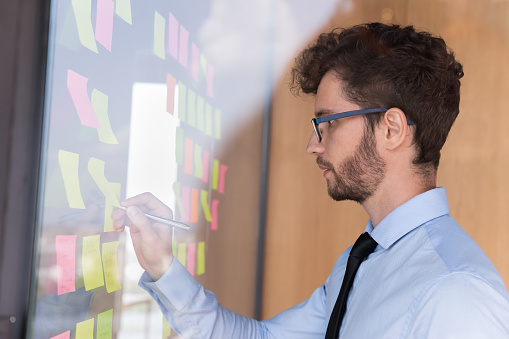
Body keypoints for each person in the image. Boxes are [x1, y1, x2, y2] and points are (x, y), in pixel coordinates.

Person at [113, 23, 509, 338]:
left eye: (327, 124)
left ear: (391, 130)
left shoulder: (456, 294)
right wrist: (163, 266)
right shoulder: (363, 261)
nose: (312, 146)